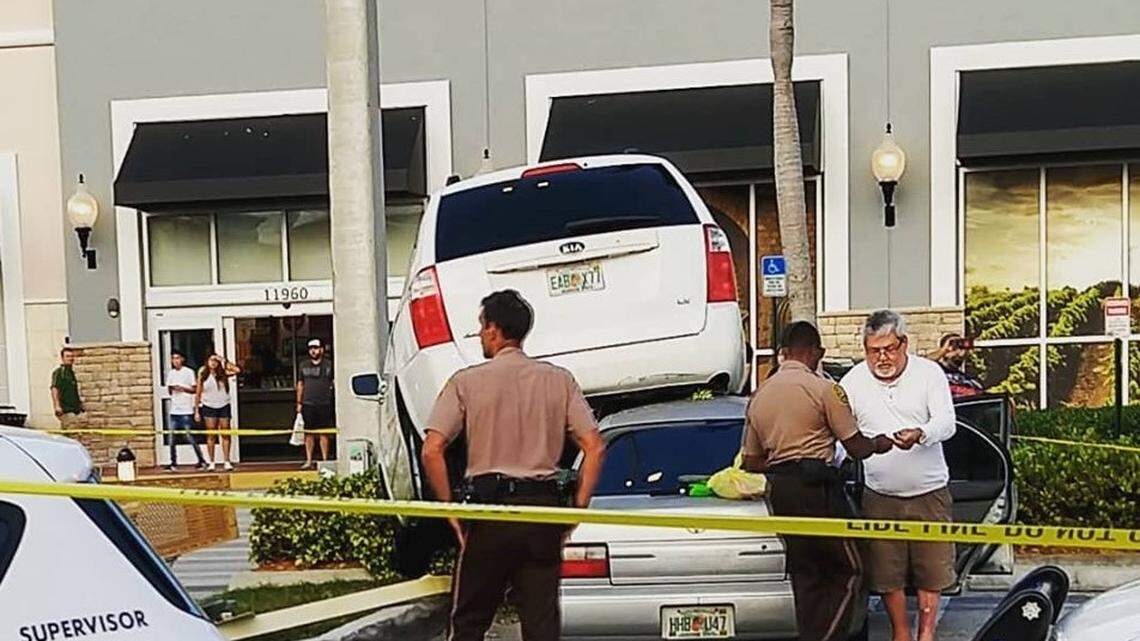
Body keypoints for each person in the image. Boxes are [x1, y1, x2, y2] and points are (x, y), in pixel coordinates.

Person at [421, 290, 606, 641]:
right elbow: (595, 447)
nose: (479, 334)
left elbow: (432, 449)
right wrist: (575, 511)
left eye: (480, 326)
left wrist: (451, 512)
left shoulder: (466, 382)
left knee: (468, 623)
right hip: (543, 513)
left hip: (489, 514)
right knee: (542, 625)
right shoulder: (559, 380)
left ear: (493, 329)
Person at [741, 321, 894, 641]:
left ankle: (811, 634)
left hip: (781, 492)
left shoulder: (760, 395)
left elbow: (750, 461)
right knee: (851, 569)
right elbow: (855, 446)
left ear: (784, 353)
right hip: (817, 488)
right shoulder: (824, 389)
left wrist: (783, 460)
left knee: (806, 574)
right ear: (816, 352)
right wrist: (879, 443)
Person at [840, 310, 957, 641]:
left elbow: (947, 423)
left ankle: (926, 634)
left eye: (889, 349)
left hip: (929, 491)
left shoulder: (929, 373)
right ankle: (901, 633)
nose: (882, 358)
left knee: (931, 571)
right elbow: (841, 437)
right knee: (886, 573)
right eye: (873, 351)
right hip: (880, 494)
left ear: (904, 344)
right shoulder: (851, 382)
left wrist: (920, 433)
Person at [195, 353, 242, 471]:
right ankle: (212, 461)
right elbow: (198, 392)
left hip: (223, 405)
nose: (213, 363)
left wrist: (223, 360)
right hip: (209, 405)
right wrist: (196, 410)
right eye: (211, 360)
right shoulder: (203, 374)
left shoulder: (223, 374)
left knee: (225, 433)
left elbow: (237, 370)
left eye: (215, 361)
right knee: (211, 434)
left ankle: (227, 460)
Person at [296, 338, 334, 469]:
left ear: (322, 349)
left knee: (324, 432)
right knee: (309, 433)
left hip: (325, 403)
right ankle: (309, 460)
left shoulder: (329, 365)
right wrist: (299, 402)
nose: (313, 351)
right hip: (308, 403)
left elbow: (334, 382)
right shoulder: (303, 365)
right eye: (311, 348)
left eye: (316, 348)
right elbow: (300, 384)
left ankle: (325, 460)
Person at [166, 350, 206, 471]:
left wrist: (182, 388)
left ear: (182, 359)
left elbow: (194, 389)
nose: (175, 361)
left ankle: (201, 460)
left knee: (189, 436)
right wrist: (173, 388)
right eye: (173, 359)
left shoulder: (188, 372)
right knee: (171, 438)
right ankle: (173, 462)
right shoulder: (171, 373)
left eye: (177, 358)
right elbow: (169, 390)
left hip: (186, 409)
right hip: (174, 410)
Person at [929, 332, 984, 397]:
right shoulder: (934, 373)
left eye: (963, 349)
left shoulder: (970, 381)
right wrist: (944, 350)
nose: (961, 353)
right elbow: (920, 364)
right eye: (955, 348)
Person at [51, 347, 84, 428]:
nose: (70, 358)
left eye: (72, 356)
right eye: (68, 356)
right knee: (70, 430)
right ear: (62, 358)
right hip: (65, 410)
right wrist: (57, 406)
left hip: (75, 410)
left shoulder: (72, 373)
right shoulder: (59, 372)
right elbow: (54, 388)